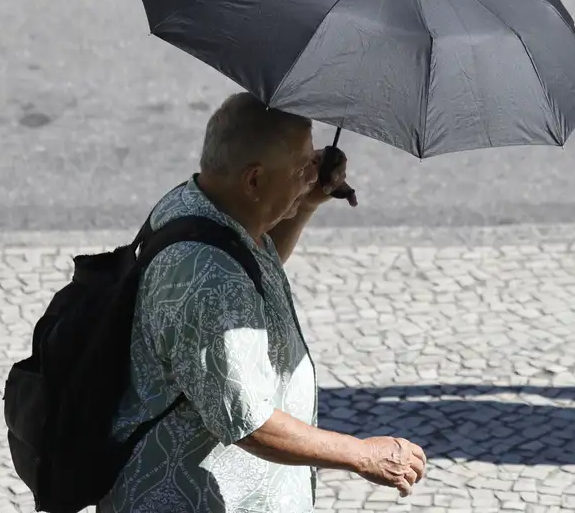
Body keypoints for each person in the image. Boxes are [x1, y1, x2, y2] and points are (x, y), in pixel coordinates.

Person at [100, 92, 426, 512]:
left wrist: (303, 202)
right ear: (254, 180)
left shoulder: (202, 206)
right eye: (303, 168)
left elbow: (256, 272)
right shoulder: (208, 279)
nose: (313, 174)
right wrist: (362, 454)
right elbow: (249, 422)